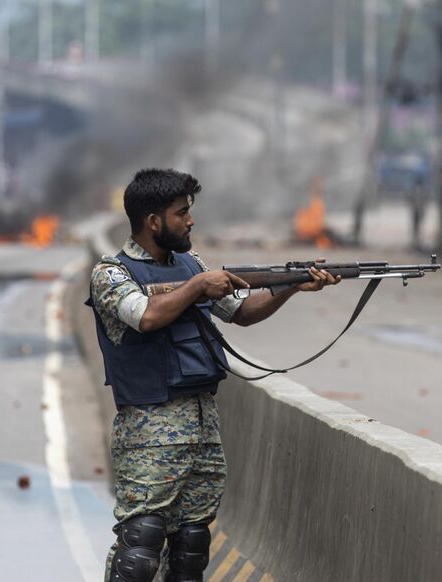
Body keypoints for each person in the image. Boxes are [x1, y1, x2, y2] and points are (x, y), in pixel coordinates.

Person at [88, 168, 340, 582]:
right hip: (148, 433)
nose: (190, 221)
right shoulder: (113, 273)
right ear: (153, 222)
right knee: (141, 548)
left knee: (190, 549)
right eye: (180, 213)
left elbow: (242, 312)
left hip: (203, 429)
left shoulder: (192, 265)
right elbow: (145, 316)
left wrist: (292, 285)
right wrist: (198, 285)